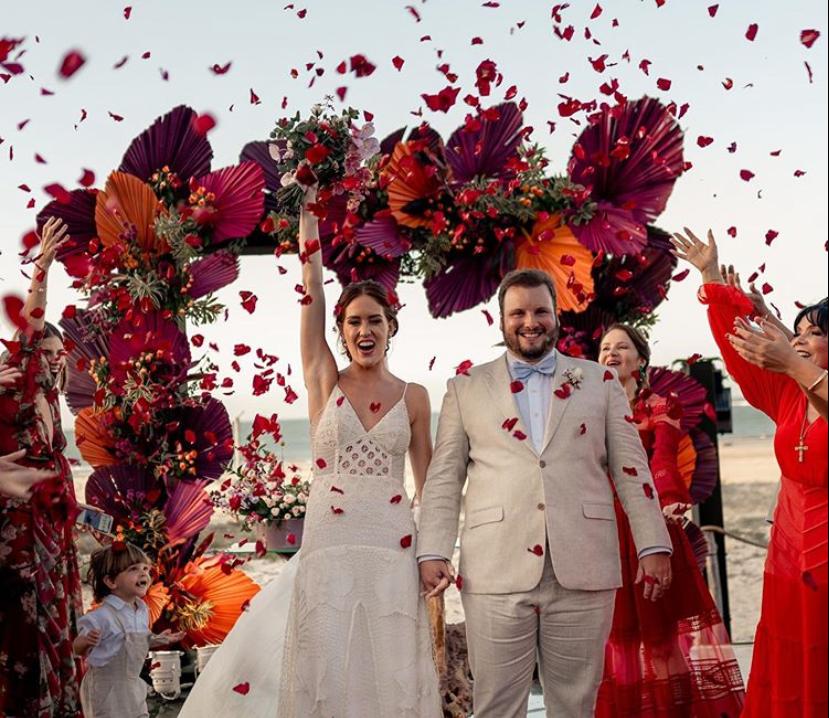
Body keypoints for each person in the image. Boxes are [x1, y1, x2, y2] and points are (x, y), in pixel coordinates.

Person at [179, 188, 441, 717]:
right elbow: (312, 293)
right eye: (354, 322)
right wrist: (309, 218)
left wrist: (434, 554)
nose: (364, 330)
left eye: (374, 320)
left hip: (392, 545)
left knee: (386, 664)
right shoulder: (325, 380)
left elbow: (430, 483)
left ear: (391, 327)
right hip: (330, 540)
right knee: (326, 654)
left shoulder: (414, 396)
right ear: (341, 332)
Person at [417, 268, 672, 718]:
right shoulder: (465, 388)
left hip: (584, 564)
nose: (529, 321)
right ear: (501, 319)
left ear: (556, 316)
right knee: (495, 704)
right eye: (518, 312)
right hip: (495, 568)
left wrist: (654, 543)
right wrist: (433, 549)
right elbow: (444, 477)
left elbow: (633, 470)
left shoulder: (600, 382)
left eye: (540, 311)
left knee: (576, 704)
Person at [672, 227, 827, 718]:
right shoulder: (786, 396)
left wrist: (794, 360)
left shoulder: (806, 382)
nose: (801, 341)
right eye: (797, 332)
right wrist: (713, 278)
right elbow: (741, 354)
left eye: (815, 333)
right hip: (789, 549)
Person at [595, 323, 745, 717]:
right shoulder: (587, 408)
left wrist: (670, 500)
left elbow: (663, 457)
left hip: (650, 525)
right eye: (605, 347)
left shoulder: (660, 404)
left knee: (660, 637)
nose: (611, 353)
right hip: (602, 532)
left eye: (622, 347)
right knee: (614, 639)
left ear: (640, 359)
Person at [0, 217, 87, 718]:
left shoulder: (53, 402)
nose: (53, 362)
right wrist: (43, 270)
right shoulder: (15, 386)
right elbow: (30, 328)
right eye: (46, 354)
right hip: (20, 536)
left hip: (55, 538)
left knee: (58, 630)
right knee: (25, 638)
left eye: (60, 355)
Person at [73, 542, 184, 717]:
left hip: (132, 685)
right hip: (106, 689)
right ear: (111, 581)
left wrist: (159, 639)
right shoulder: (101, 616)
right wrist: (85, 641)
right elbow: (77, 648)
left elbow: (136, 640)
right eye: (133, 569)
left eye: (146, 569)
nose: (143, 573)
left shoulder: (141, 610)